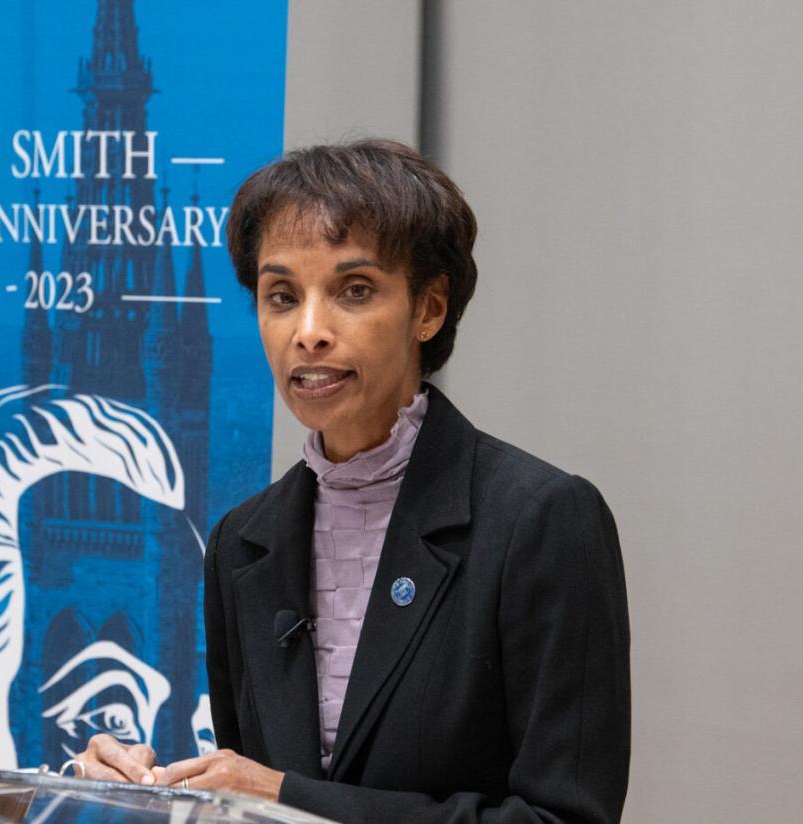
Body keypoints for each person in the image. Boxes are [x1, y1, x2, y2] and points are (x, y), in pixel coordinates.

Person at [76, 139, 631, 823]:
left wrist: (287, 797)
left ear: (428, 309)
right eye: (281, 296)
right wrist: (146, 784)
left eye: (354, 291)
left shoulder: (540, 520)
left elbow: (563, 820)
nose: (309, 332)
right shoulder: (243, 544)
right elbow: (252, 801)